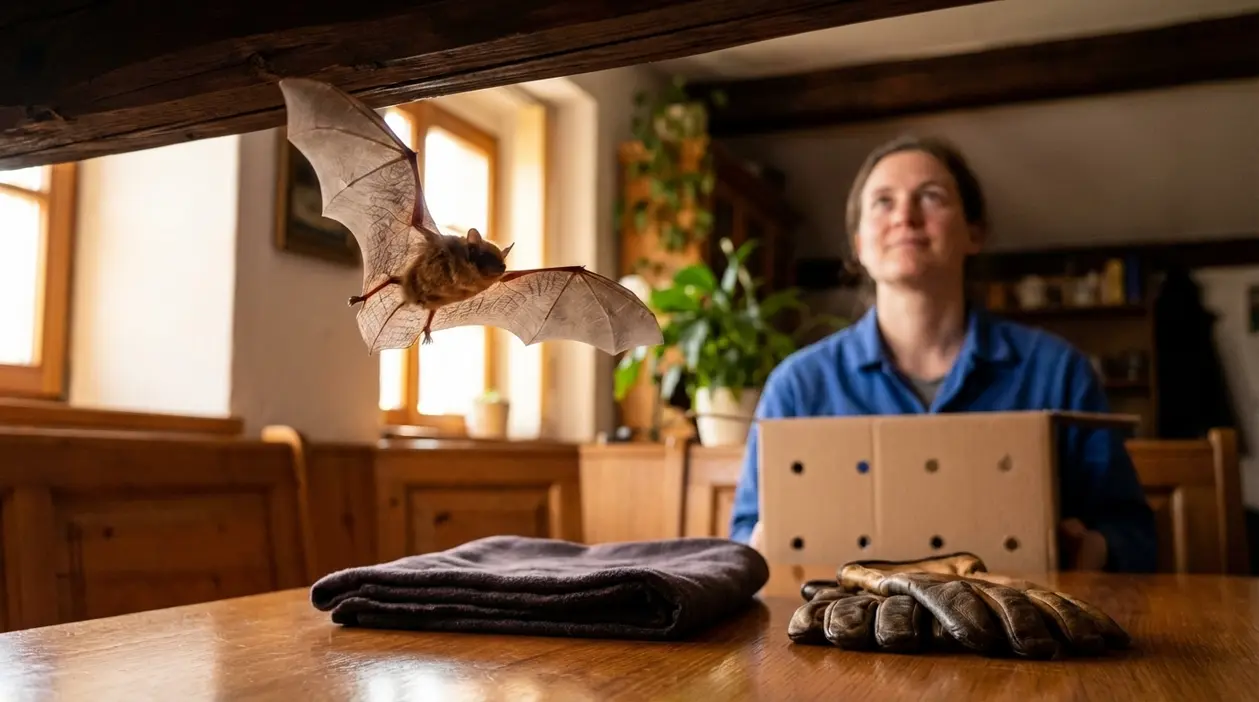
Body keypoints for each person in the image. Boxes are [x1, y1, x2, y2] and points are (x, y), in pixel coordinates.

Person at [729, 134, 1158, 573]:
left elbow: (1134, 534)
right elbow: (745, 531)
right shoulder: (798, 386)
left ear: (975, 233)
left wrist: (1093, 549)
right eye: (882, 202)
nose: (905, 217)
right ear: (859, 245)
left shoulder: (1059, 371)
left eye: (931, 197)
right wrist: (757, 548)